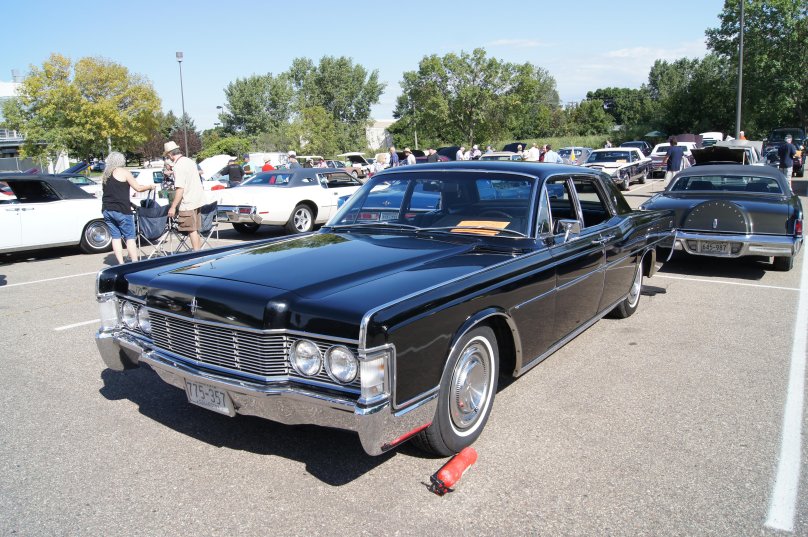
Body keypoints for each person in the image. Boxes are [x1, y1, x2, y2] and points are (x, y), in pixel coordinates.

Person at [101, 151, 156, 264]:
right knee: (130, 237)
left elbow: (114, 193)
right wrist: (150, 186)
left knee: (116, 237)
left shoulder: (105, 174)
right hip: (121, 210)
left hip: (107, 209)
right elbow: (138, 188)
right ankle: (134, 262)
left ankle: (121, 263)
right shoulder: (124, 172)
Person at [165, 141, 206, 251]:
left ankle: (196, 255)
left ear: (169, 154)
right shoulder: (189, 161)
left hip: (188, 202)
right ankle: (198, 253)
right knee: (195, 229)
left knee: (191, 230)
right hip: (197, 200)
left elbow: (180, 189)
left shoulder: (178, 166)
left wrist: (173, 207)